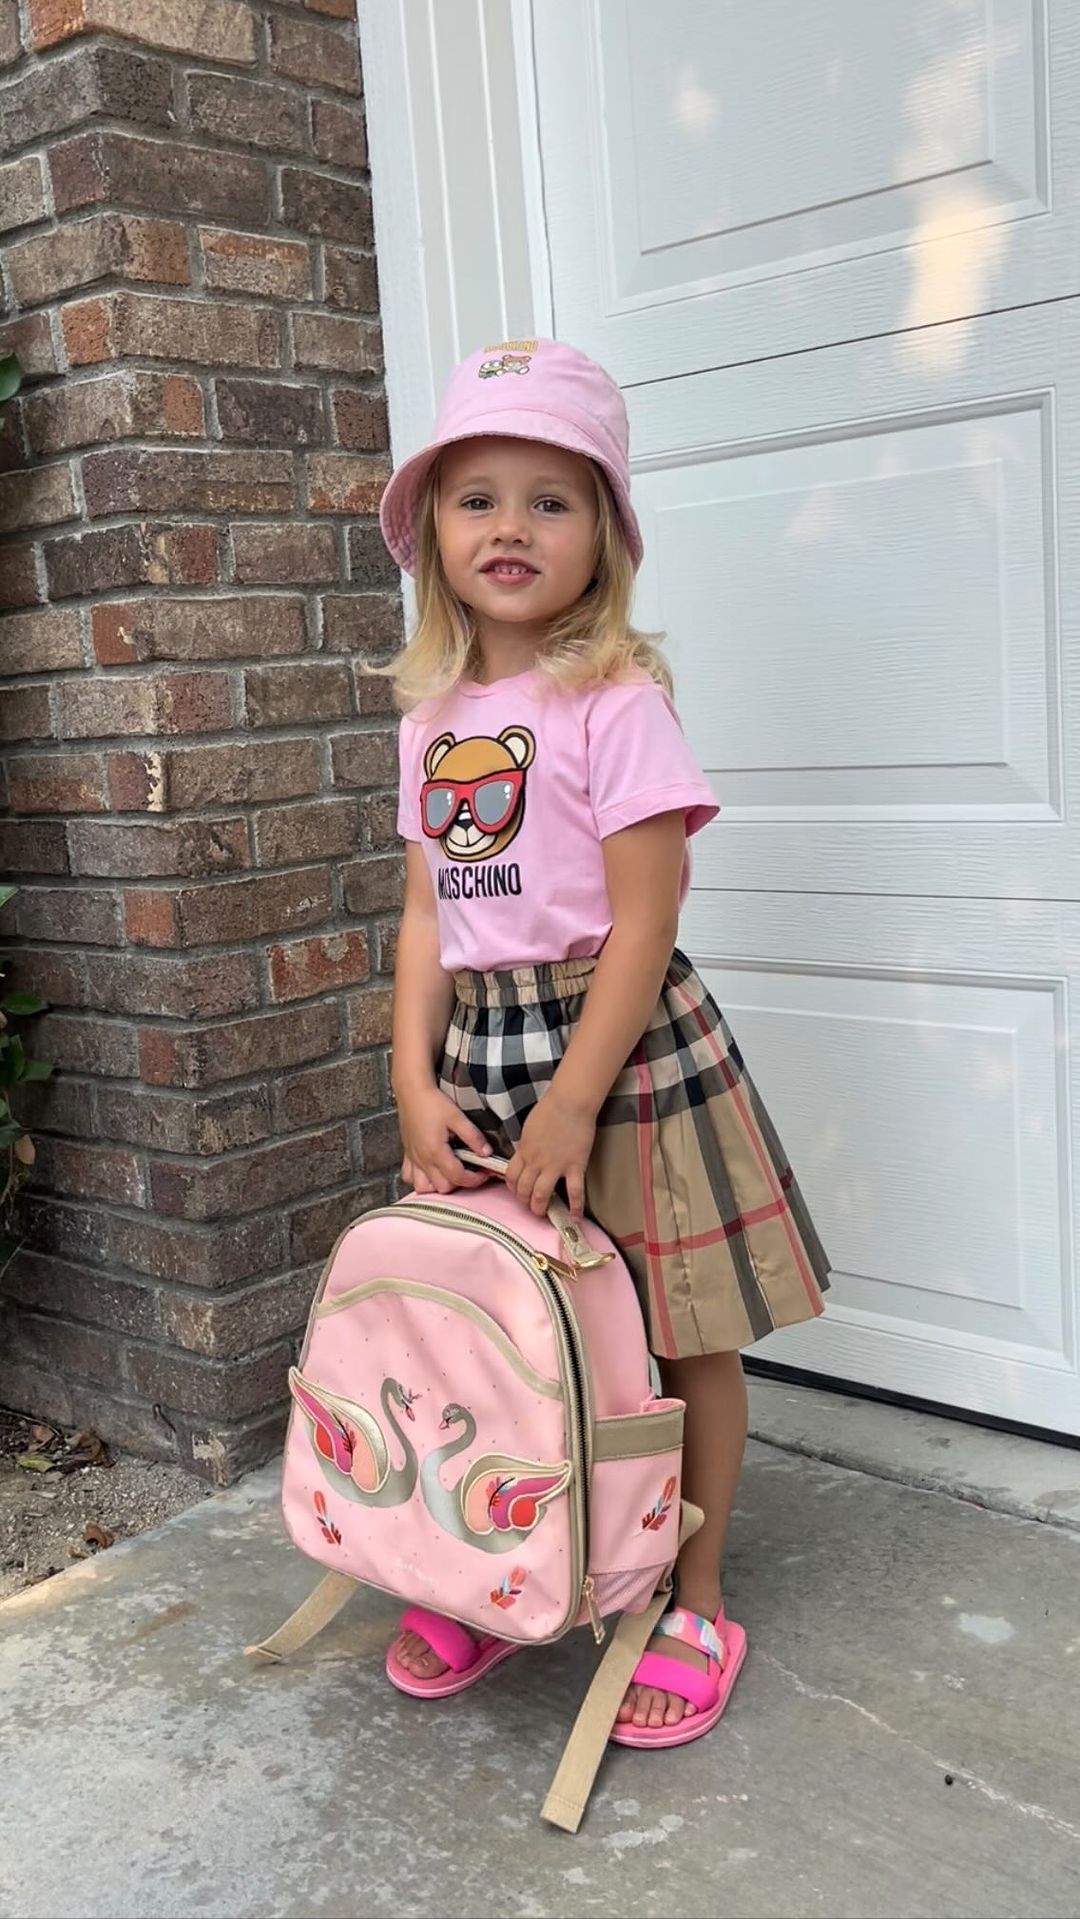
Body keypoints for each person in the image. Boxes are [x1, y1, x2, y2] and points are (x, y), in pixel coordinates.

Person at [379, 338, 830, 1747]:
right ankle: (498, 1556)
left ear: (604, 538)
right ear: (434, 534)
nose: (509, 526)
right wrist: (410, 1080)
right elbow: (425, 916)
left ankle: (692, 1596)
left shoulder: (615, 702)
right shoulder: (432, 716)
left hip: (621, 1056)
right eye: (476, 498)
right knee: (504, 1335)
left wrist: (575, 1101)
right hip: (483, 1056)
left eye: (550, 499)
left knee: (674, 1337)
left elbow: (646, 919)